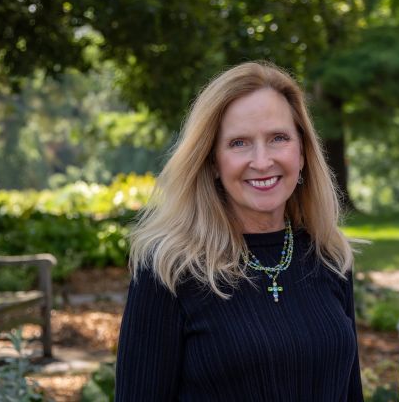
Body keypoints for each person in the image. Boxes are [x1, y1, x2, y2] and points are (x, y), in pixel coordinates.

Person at [116, 61, 364, 401]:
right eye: (239, 143)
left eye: (278, 138)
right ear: (213, 160)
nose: (262, 161)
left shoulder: (330, 258)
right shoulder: (170, 269)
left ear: (303, 151)